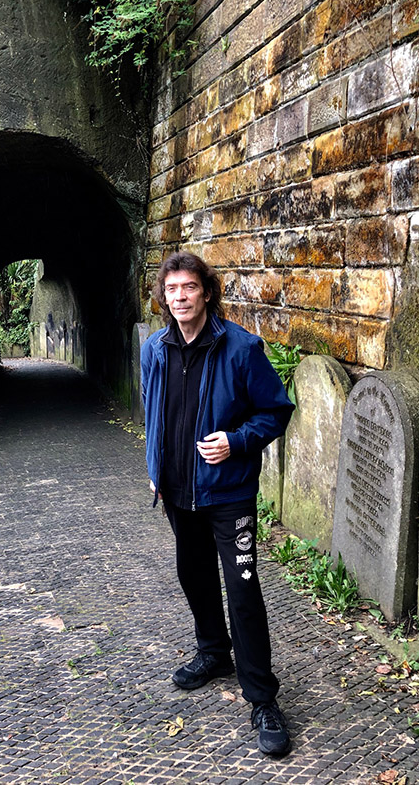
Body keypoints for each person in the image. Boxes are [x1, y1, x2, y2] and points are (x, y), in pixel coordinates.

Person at [140, 251, 295, 757]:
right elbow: (154, 410)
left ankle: (263, 699)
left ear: (206, 292)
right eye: (171, 289)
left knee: (243, 589)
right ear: (164, 297)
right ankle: (213, 652)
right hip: (178, 491)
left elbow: (275, 411)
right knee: (194, 574)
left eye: (189, 287)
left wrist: (236, 441)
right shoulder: (155, 349)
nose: (180, 296)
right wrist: (155, 466)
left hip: (229, 493)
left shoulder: (241, 348)